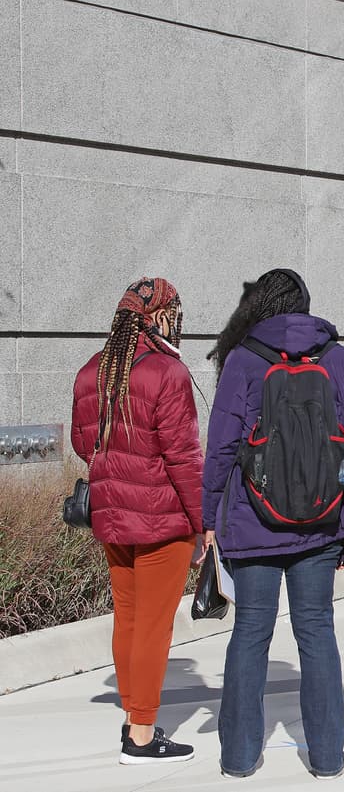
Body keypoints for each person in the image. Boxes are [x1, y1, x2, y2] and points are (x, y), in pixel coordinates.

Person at [203, 269, 344, 779]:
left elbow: (219, 447)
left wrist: (208, 517)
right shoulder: (340, 358)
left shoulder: (242, 359)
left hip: (252, 519)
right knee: (317, 632)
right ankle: (327, 759)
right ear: (305, 305)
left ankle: (238, 758)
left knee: (250, 632)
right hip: (322, 522)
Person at [70, 277, 203, 765]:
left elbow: (84, 444)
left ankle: (134, 720)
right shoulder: (167, 372)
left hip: (112, 517)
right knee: (153, 625)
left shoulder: (92, 371)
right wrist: (204, 522)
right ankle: (142, 736)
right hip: (163, 520)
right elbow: (184, 457)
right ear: (161, 317)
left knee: (127, 620)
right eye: (176, 313)